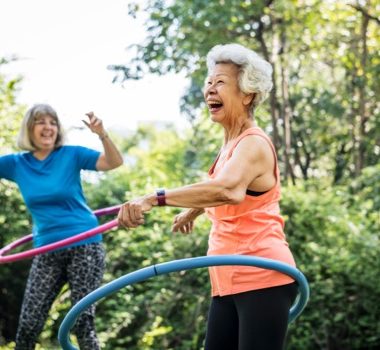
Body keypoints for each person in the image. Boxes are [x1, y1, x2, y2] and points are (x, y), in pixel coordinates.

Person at [117, 43, 298, 350]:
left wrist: (153, 198)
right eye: (208, 83)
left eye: (220, 83)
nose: (210, 90)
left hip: (262, 275)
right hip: (226, 279)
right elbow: (218, 186)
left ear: (247, 94)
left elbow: (227, 189)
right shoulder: (230, 145)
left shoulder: (253, 143)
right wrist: (193, 211)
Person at [0, 104, 123, 349]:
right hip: (46, 249)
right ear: (29, 128)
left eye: (52, 122)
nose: (48, 128)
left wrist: (101, 133)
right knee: (28, 326)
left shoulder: (71, 154)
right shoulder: (16, 164)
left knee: (82, 324)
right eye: (41, 122)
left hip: (85, 246)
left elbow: (113, 162)